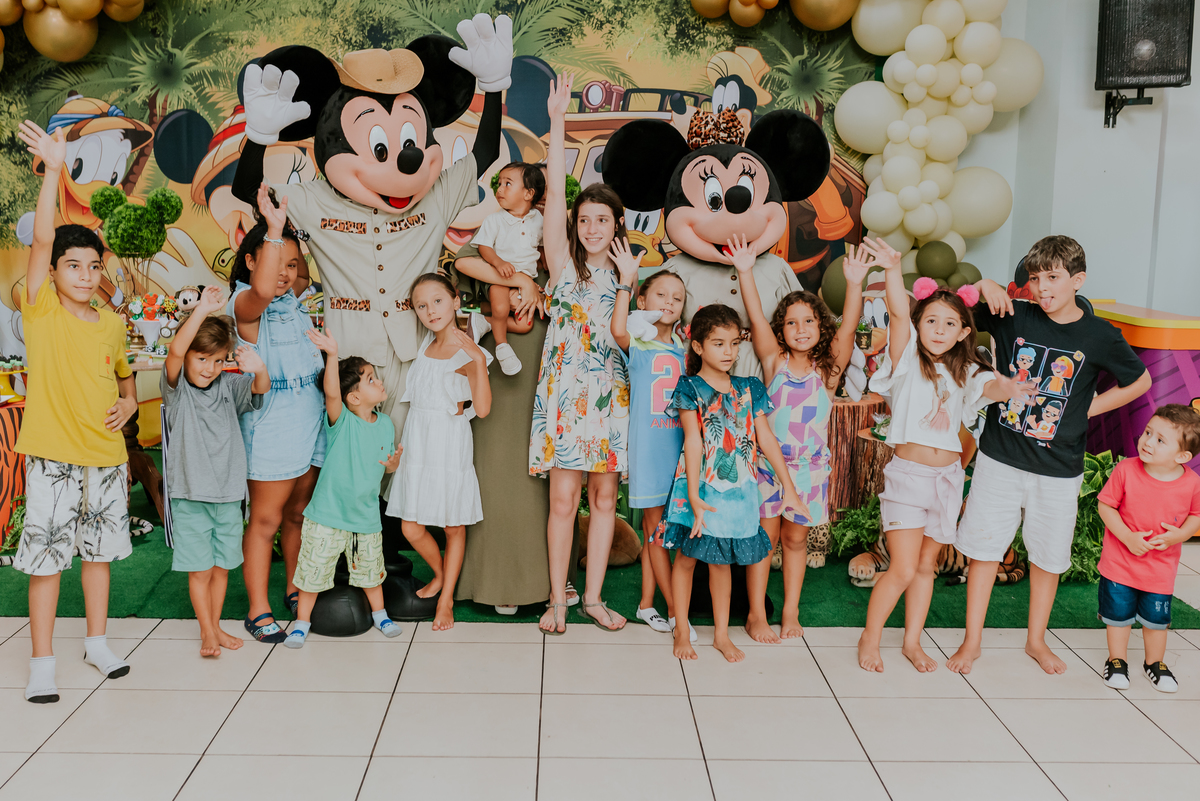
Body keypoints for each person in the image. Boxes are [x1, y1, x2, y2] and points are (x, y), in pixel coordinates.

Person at [950, 235, 1152, 674]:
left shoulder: (1099, 335)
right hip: (1000, 458)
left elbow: (1140, 382)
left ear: (1078, 280)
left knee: (1047, 556)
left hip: (1059, 469)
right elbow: (953, 309)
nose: (1042, 287)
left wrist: (1087, 409)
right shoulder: (1013, 315)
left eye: (1054, 278)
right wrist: (983, 283)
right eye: (1036, 277)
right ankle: (971, 642)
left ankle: (1036, 641)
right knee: (983, 551)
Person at [858, 241, 1035, 673]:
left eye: (949, 323)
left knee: (925, 567)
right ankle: (870, 637)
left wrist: (1008, 388)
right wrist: (896, 269)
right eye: (931, 320)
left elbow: (989, 388)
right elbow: (898, 314)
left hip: (948, 480)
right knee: (900, 568)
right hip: (908, 478)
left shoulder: (968, 369)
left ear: (962, 332)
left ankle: (912, 643)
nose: (939, 329)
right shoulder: (904, 362)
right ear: (920, 326)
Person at [11, 121, 139, 703]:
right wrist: (56, 168)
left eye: (93, 266)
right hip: (52, 457)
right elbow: (41, 240)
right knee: (46, 562)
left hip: (105, 458)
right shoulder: (40, 311)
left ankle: (96, 642)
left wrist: (130, 401)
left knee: (99, 556)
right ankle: (42, 662)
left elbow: (123, 376)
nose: (86, 276)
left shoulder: (111, 323)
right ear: (56, 273)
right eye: (74, 266)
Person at [530, 73, 631, 635]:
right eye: (584, 219)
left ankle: (593, 597)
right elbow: (551, 195)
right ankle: (559, 601)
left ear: (617, 224)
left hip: (611, 400)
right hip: (566, 400)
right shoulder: (563, 269)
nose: (592, 227)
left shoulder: (629, 276)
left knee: (604, 498)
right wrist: (557, 124)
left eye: (602, 219)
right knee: (563, 502)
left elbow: (629, 342)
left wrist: (630, 284)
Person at [734, 236, 868, 643]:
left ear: (820, 327)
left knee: (795, 540)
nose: (801, 328)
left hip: (810, 473)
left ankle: (790, 610)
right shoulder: (773, 363)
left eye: (809, 321)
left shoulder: (826, 372)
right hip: (768, 469)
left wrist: (856, 283)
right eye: (791, 322)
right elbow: (756, 316)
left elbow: (848, 328)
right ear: (782, 330)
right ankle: (756, 613)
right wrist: (744, 269)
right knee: (765, 540)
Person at [659, 304, 808, 663]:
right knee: (686, 559)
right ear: (698, 347)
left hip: (739, 490)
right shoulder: (689, 386)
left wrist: (788, 486)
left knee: (721, 562)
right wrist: (693, 494)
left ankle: (721, 635)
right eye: (718, 344)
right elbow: (692, 440)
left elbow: (767, 439)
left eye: (734, 343)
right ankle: (681, 629)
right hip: (699, 485)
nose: (728, 352)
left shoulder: (749, 387)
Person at [227, 184, 327, 643]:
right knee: (265, 520)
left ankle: (292, 587)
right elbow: (266, 287)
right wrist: (272, 229)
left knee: (298, 513)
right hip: (272, 421)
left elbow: (294, 275)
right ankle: (258, 607)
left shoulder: (295, 302)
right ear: (250, 260)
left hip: (310, 415)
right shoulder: (246, 306)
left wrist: (291, 234)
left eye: (291, 264)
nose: (284, 274)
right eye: (274, 262)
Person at [161, 286, 270, 657]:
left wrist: (259, 369)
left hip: (228, 494)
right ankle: (207, 630)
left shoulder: (229, 385)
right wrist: (204, 309)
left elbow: (261, 388)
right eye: (202, 359)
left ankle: (217, 625)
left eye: (219, 360)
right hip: (190, 495)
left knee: (222, 566)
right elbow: (176, 350)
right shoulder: (177, 391)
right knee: (200, 569)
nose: (209, 368)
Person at [386, 274, 492, 631]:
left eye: (437, 301)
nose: (430, 310)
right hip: (419, 439)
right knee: (411, 526)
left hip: (448, 440)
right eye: (421, 305)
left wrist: (477, 360)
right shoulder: (424, 347)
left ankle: (445, 600)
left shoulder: (467, 351)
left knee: (452, 526)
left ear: (455, 301)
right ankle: (442, 575)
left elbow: (484, 407)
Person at [285, 329, 404, 648]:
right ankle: (301, 622)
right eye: (370, 379)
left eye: (376, 377)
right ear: (353, 397)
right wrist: (332, 354)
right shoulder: (342, 421)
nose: (379, 382)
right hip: (326, 516)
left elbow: (382, 464)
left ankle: (380, 615)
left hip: (365, 517)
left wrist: (391, 466)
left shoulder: (386, 424)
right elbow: (332, 394)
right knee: (312, 573)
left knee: (372, 572)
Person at [609, 266, 693, 639]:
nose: (669, 302)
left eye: (677, 297)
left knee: (658, 532)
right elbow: (617, 330)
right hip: (648, 450)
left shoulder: (686, 350)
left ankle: (646, 604)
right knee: (657, 532)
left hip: (678, 451)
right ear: (643, 301)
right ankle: (677, 612)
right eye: (661, 295)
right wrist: (628, 284)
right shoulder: (638, 343)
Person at [1096, 405, 1200, 692]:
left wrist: (1178, 536)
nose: (1147, 441)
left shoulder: (1191, 483)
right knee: (1118, 618)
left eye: (1159, 440)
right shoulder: (1126, 469)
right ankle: (1117, 661)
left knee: (1156, 620)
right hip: (1120, 563)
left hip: (1160, 569)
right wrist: (1128, 538)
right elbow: (1106, 506)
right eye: (1147, 432)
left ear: (1182, 457)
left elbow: (1196, 515)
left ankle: (1155, 663)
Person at [461, 162, 546, 375]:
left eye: (507, 184)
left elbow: (543, 246)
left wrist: (544, 263)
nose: (499, 189)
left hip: (524, 280)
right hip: (500, 277)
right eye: (499, 183)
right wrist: (499, 263)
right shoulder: (495, 219)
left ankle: (483, 320)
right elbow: (483, 247)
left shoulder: (539, 220)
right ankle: (502, 347)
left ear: (528, 194)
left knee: (525, 323)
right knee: (500, 308)